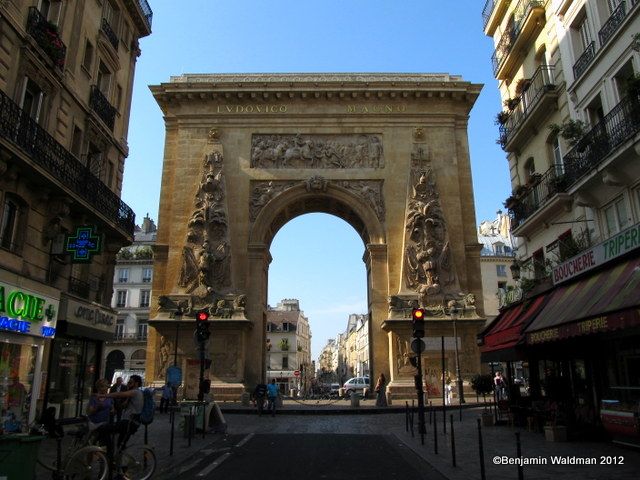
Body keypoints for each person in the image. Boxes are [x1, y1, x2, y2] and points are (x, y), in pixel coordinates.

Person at [97, 375, 144, 465]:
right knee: (120, 445)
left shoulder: (136, 392)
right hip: (128, 422)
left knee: (105, 429)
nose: (128, 384)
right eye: (128, 382)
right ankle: (120, 468)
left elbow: (119, 394)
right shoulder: (132, 393)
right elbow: (123, 406)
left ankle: (109, 454)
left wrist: (104, 395)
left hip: (129, 423)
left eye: (130, 382)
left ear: (136, 384)